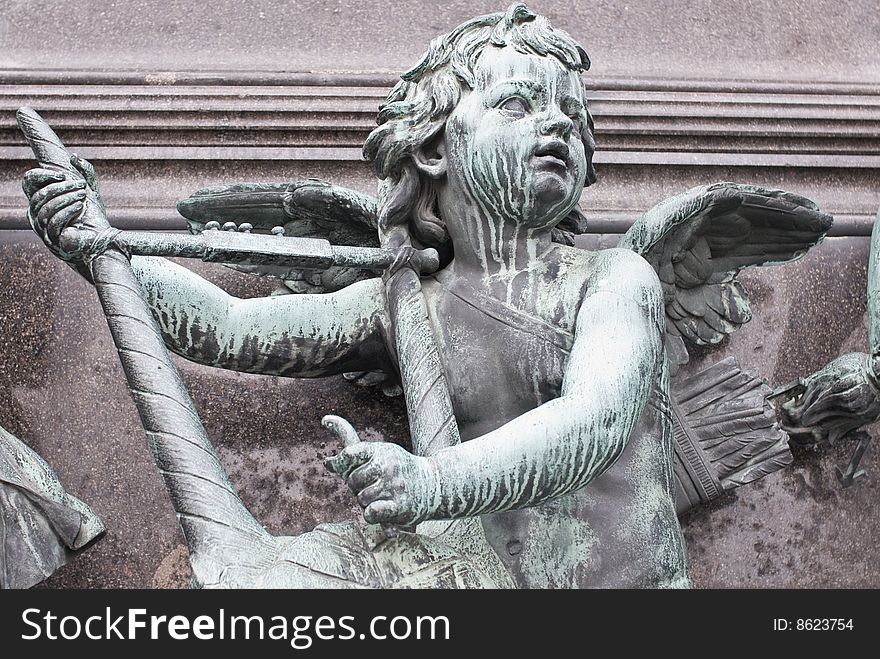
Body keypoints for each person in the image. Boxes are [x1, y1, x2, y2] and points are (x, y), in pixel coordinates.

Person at [21, 4, 688, 588]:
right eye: (519, 103)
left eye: (573, 114)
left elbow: (595, 421)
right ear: (433, 148)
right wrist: (91, 243)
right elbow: (226, 326)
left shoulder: (616, 280)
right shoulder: (409, 303)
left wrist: (431, 483)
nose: (557, 125)